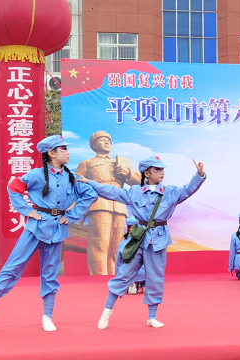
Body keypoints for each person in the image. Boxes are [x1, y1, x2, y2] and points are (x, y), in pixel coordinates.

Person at [0, 135, 98, 333]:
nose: (68, 152)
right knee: (13, 267)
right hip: (35, 227)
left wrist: (71, 215)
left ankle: (47, 316)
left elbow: (91, 194)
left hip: (57, 230)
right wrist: (26, 210)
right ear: (52, 153)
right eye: (64, 149)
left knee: (50, 273)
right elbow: (13, 187)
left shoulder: (72, 178)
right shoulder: (37, 175)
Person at [78, 155, 206, 329]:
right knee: (123, 275)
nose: (161, 172)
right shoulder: (134, 192)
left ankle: (152, 317)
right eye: (157, 169)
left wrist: (199, 175)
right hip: (138, 239)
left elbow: (188, 189)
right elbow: (112, 192)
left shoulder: (170, 192)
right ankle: (107, 311)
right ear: (147, 173)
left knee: (155, 278)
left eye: (162, 169)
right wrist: (89, 182)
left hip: (158, 241)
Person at [75, 131, 142, 276]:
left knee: (116, 245)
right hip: (99, 204)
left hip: (119, 205)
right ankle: (99, 278)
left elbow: (141, 182)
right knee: (99, 243)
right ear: (94, 145)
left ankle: (114, 276)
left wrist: (128, 173)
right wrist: (73, 210)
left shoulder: (120, 163)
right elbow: (75, 185)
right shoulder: (87, 163)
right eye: (102, 140)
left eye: (109, 141)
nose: (107, 142)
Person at [121, 216, 146, 295]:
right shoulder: (145, 241)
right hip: (146, 275)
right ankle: (144, 285)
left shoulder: (124, 242)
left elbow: (119, 261)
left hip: (129, 274)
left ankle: (132, 284)